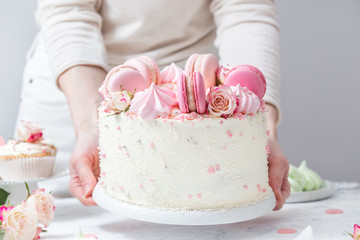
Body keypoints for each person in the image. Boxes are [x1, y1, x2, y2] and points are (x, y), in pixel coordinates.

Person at [16, 0, 290, 210]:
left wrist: (261, 128)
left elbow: (245, 10)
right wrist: (91, 124)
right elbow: (68, 12)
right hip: (76, 92)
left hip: (186, 98)